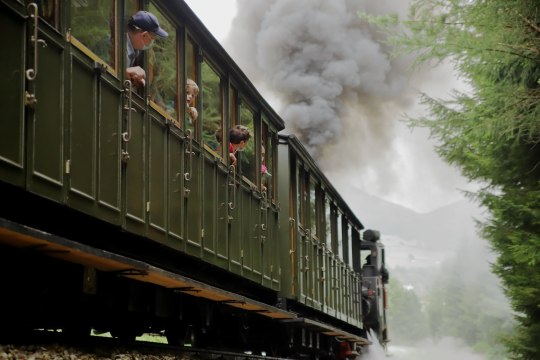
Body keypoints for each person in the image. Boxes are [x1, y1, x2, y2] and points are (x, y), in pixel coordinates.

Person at [126, 10, 168, 87]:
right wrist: (127, 72)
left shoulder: (134, 51)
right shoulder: (114, 44)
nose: (152, 43)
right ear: (144, 35)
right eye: (152, 39)